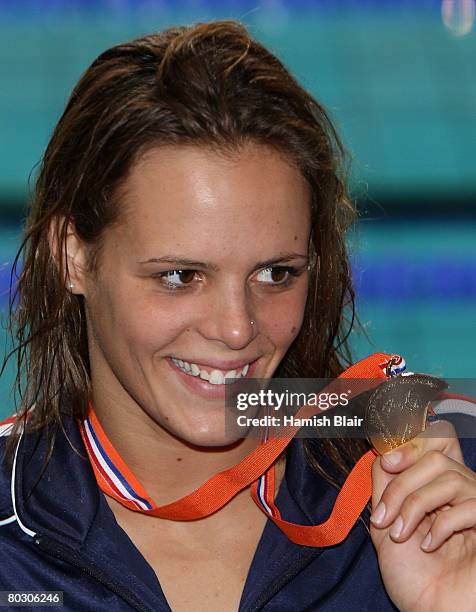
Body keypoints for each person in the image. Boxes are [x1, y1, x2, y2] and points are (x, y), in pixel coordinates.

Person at [0, 20, 475, 612]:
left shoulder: (445, 477)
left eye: (276, 273)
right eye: (179, 276)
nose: (236, 329)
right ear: (71, 256)